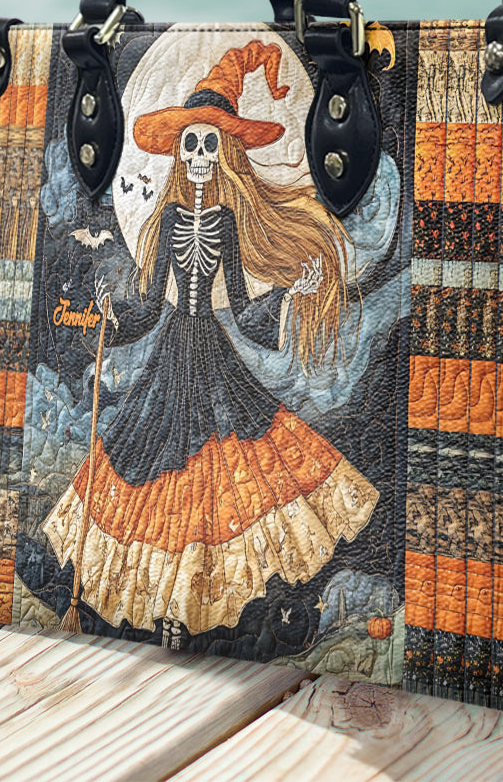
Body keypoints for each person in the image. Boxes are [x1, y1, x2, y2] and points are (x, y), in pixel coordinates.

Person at [43, 40, 378, 637]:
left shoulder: (227, 221)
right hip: (173, 348)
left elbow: (243, 310)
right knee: (149, 463)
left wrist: (293, 297)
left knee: (226, 474)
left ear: (226, 154)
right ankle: (162, 604)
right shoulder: (166, 220)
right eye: (191, 144)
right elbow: (150, 303)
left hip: (213, 350)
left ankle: (211, 607)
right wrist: (108, 318)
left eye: (210, 145)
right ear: (178, 152)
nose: (199, 156)